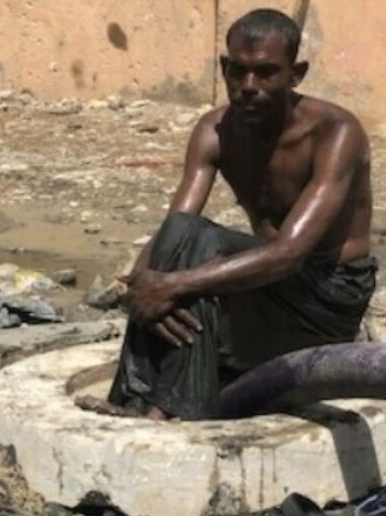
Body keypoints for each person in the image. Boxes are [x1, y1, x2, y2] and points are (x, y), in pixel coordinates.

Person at [93, 8, 376, 421]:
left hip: (327, 296)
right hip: (269, 284)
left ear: (295, 74)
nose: (249, 87)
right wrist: (142, 288)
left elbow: (291, 252)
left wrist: (172, 283)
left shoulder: (335, 133)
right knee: (183, 240)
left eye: (266, 73)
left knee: (199, 254)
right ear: (224, 68)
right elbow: (175, 227)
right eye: (238, 72)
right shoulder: (214, 131)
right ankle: (132, 401)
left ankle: (168, 413)